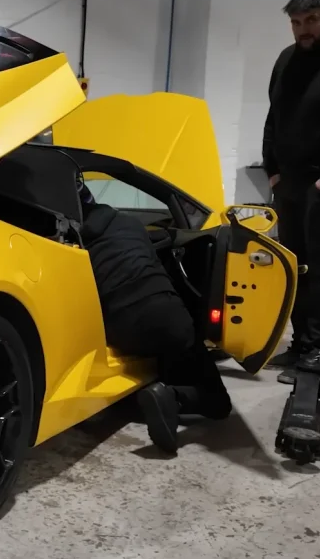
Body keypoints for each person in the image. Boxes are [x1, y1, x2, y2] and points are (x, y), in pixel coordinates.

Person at [79, 184, 232, 453]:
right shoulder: (130, 225)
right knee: (219, 404)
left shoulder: (75, 240)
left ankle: (149, 395)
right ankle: (172, 396)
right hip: (165, 319)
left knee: (163, 355)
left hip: (117, 332)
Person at [263, 0, 320, 383]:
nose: (303, 30)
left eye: (311, 20)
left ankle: (318, 349)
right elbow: (274, 116)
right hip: (290, 183)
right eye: (296, 23)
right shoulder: (287, 58)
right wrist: (273, 170)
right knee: (295, 267)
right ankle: (299, 343)